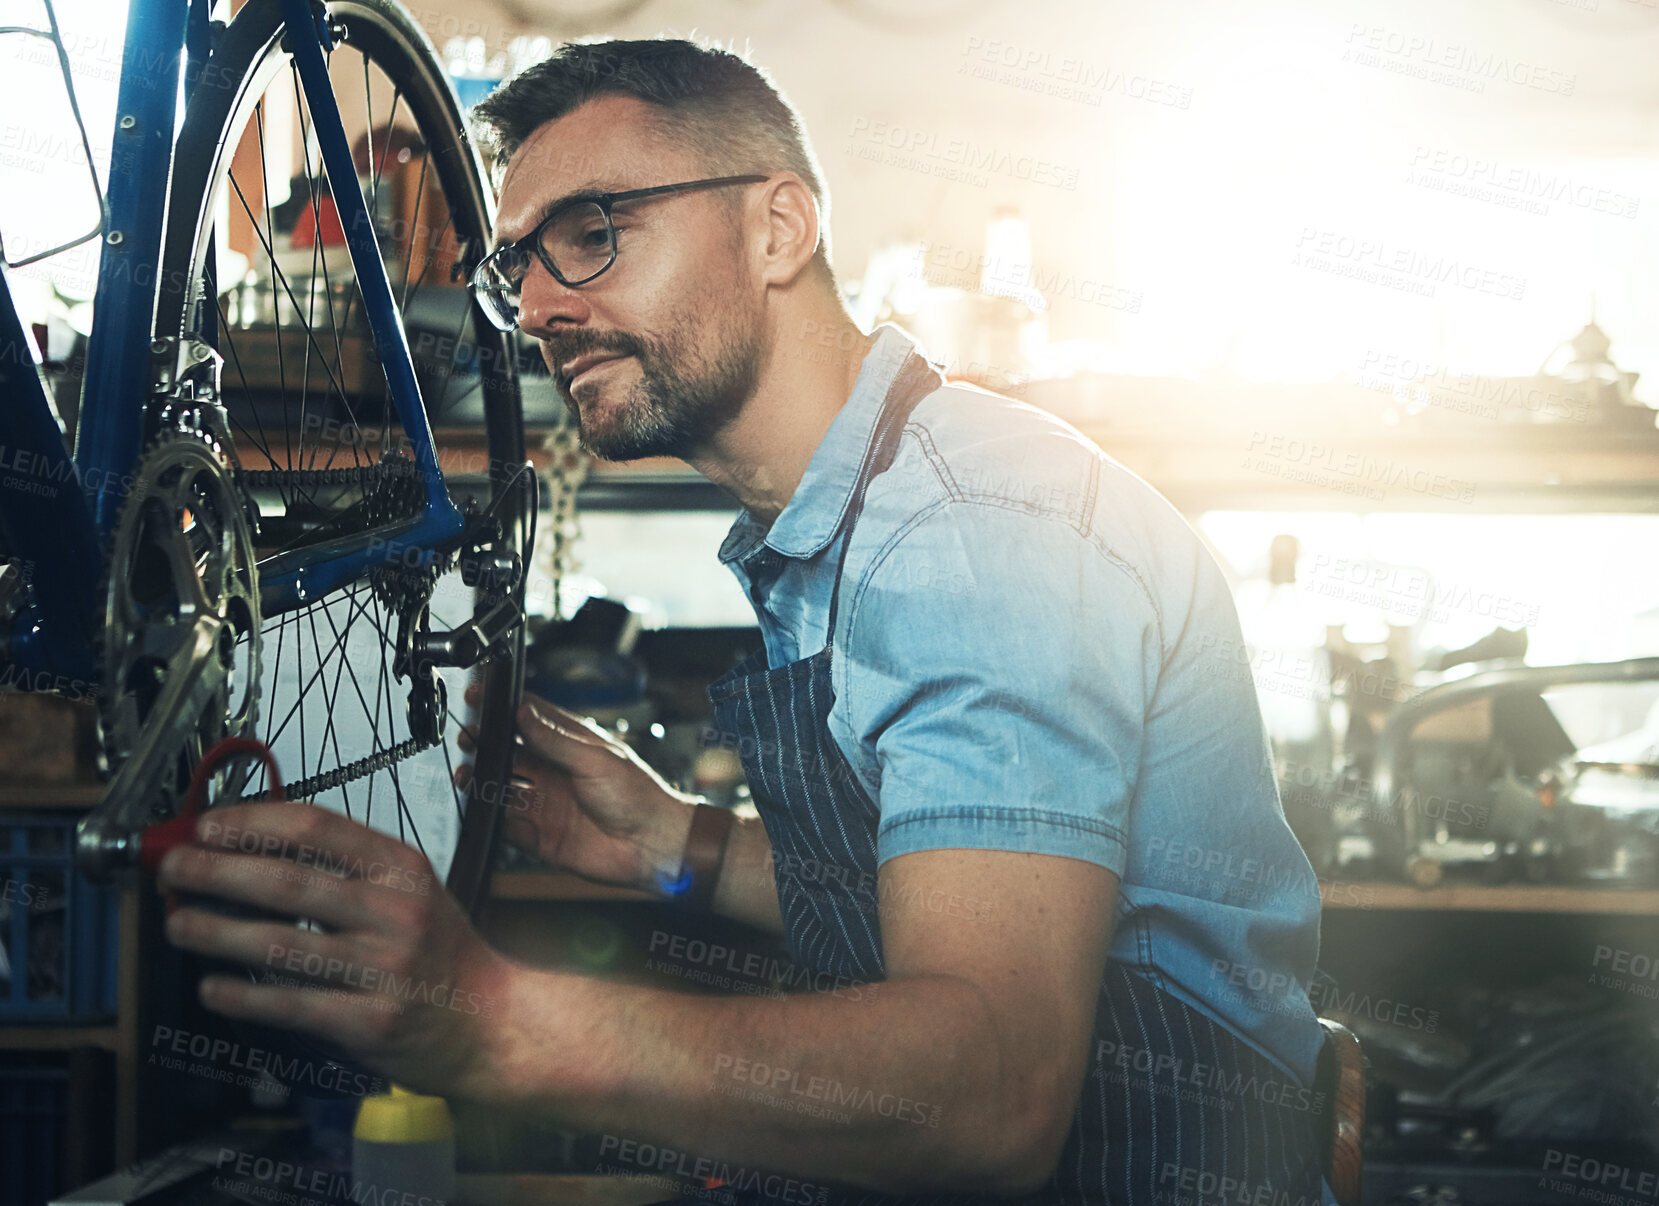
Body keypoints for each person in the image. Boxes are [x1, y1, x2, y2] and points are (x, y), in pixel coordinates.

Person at [158, 37, 1333, 1205]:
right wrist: (679, 847)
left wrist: (497, 1025)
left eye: (593, 233)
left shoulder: (973, 532)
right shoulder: (852, 517)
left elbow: (994, 1096)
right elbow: (967, 887)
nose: (537, 309)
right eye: (516, 266)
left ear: (778, 229)